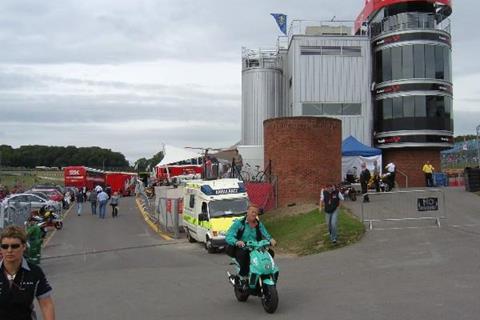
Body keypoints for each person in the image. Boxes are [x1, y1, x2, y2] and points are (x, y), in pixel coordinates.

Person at [0, 225, 55, 320]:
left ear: (24, 246)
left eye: (15, 246)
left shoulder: (35, 272)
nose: (9, 250)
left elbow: (46, 304)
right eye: (5, 246)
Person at [225, 204, 276, 286]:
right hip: (242, 247)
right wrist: (237, 242)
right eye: (252, 212)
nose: (254, 214)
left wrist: (270, 239)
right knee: (244, 256)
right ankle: (243, 277)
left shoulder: (259, 224)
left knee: (270, 253)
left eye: (256, 213)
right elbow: (229, 236)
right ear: (247, 212)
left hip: (256, 247)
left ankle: (265, 271)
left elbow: (266, 234)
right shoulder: (239, 223)